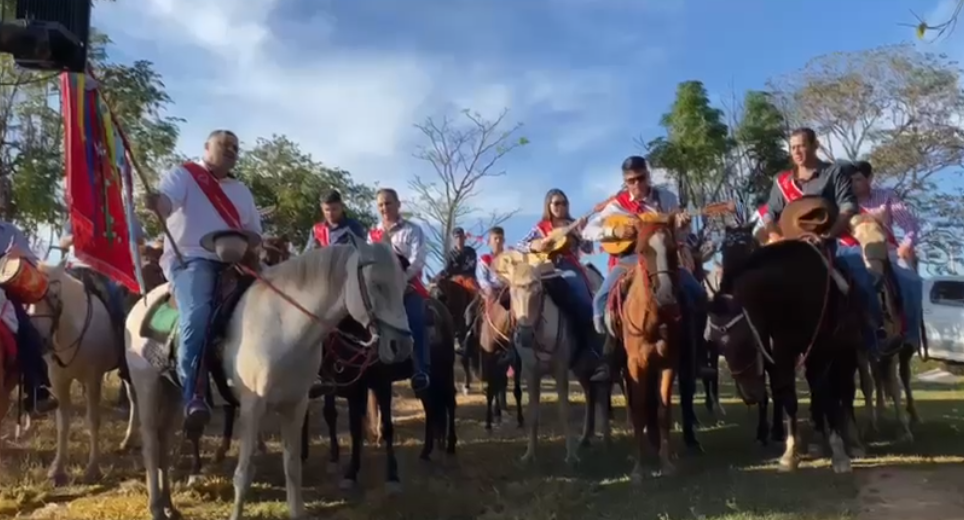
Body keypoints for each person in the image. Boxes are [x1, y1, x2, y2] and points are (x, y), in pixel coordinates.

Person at [143, 129, 263, 430]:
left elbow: (254, 233)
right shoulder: (183, 175)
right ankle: (193, 392)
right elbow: (166, 204)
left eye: (236, 147)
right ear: (207, 147)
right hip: (191, 259)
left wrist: (250, 248)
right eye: (224, 145)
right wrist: (157, 204)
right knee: (198, 315)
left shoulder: (241, 190)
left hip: (235, 262)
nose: (232, 150)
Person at [760, 128, 888, 357]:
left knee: (858, 273)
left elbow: (848, 206)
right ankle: (759, 341)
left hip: (829, 241)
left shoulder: (833, 172)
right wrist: (774, 235)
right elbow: (770, 214)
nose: (796, 151)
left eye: (801, 145)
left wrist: (829, 234)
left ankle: (874, 336)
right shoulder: (782, 182)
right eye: (793, 147)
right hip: (790, 246)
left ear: (814, 145)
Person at [583, 156, 707, 337]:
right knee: (600, 300)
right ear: (625, 182)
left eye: (640, 178)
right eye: (631, 181)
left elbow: (680, 236)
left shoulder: (666, 198)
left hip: (662, 256)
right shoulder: (617, 205)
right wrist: (614, 232)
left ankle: (699, 349)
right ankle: (609, 354)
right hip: (629, 258)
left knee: (698, 293)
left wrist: (682, 226)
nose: (637, 184)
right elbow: (588, 230)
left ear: (648, 176)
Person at [519, 188, 609, 382]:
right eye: (556, 203)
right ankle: (516, 348)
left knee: (583, 301)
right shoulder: (540, 227)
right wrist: (536, 245)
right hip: (544, 269)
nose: (560, 207)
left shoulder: (574, 223)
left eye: (564, 203)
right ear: (548, 207)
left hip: (570, 266)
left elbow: (588, 248)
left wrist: (582, 232)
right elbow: (520, 245)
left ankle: (593, 350)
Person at [848, 160, 924, 350]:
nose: (853, 184)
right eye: (850, 180)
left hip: (887, 251)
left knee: (911, 281)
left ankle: (910, 336)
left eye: (858, 179)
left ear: (870, 178)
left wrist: (906, 245)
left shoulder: (887, 196)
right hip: (852, 252)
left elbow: (910, 224)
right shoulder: (843, 201)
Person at [368, 188, 430, 394]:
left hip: (408, 287)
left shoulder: (413, 230)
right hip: (381, 292)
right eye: (380, 205)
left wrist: (399, 281)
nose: (384, 208)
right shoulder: (373, 234)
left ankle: (420, 368)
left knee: (416, 319)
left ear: (398, 204)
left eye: (388, 203)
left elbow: (417, 260)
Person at [0, 221, 58, 414]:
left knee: (28, 334)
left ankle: (36, 392)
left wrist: (20, 256)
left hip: (4, 293)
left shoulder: (10, 231)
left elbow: (33, 262)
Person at [302, 189, 367, 251]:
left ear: (341, 206)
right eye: (327, 210)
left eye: (334, 209)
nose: (330, 213)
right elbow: (306, 255)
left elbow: (361, 252)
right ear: (322, 208)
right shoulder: (317, 230)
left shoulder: (353, 227)